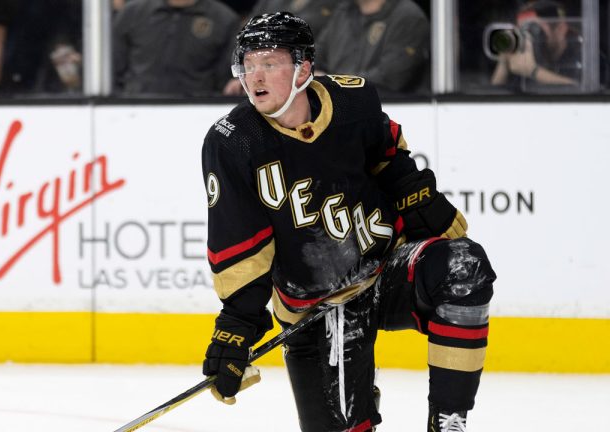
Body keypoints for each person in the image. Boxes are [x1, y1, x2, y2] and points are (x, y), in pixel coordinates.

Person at [200, 12, 496, 432]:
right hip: (315, 309)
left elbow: (389, 157)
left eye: (269, 63)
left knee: (463, 263)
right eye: (248, 65)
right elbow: (241, 242)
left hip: (384, 272)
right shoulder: (234, 141)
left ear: (303, 68)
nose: (255, 76)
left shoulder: (353, 102)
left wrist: (417, 196)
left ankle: (447, 420)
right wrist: (237, 326)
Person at [112, 0, 241, 96]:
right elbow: (113, 69)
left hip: (198, 113)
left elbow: (226, 80)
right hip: (134, 110)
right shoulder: (132, 13)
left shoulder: (225, 19)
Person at [314, 0, 430, 96]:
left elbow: (391, 78)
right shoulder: (343, 11)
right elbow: (315, 56)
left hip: (387, 113)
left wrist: (331, 82)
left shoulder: (408, 16)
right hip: (338, 108)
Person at [490, 0, 581, 89]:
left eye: (533, 30)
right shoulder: (526, 58)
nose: (528, 38)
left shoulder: (581, 57)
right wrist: (503, 64)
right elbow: (493, 100)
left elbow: (581, 90)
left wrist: (533, 71)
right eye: (522, 32)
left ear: (561, 29)